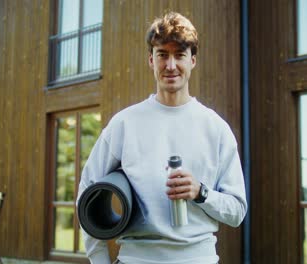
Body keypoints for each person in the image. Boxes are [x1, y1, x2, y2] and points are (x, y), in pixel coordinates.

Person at [77, 11, 247, 264]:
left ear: (193, 61)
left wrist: (200, 192)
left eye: (179, 55)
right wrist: (99, 260)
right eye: (162, 55)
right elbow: (87, 194)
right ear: (150, 60)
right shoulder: (125, 124)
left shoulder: (216, 128)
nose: (170, 65)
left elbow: (237, 211)